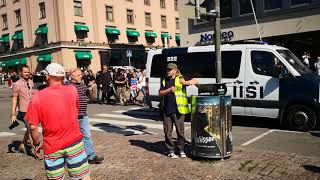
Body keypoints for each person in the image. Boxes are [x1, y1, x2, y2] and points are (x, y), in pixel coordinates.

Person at [25, 63, 91, 180]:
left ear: (47, 77)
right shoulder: (72, 91)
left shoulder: (37, 97)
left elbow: (33, 127)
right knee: (83, 177)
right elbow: (75, 112)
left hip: (52, 146)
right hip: (74, 142)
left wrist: (36, 144)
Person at [159, 63, 198, 159]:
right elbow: (160, 93)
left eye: (170, 70)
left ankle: (181, 150)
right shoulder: (164, 80)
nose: (168, 71)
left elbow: (191, 81)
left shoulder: (180, 78)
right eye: (167, 69)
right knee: (168, 131)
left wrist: (190, 82)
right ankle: (171, 150)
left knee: (180, 132)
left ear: (175, 70)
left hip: (179, 110)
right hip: (167, 110)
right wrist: (169, 90)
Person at [70, 68, 104, 164]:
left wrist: (90, 89)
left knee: (87, 136)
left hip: (83, 115)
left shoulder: (82, 84)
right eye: (79, 75)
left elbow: (89, 96)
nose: (81, 76)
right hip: (73, 116)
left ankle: (91, 156)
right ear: (72, 76)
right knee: (74, 138)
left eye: (81, 74)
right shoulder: (69, 86)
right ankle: (75, 157)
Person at [10, 65, 36, 154]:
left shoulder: (31, 82)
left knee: (30, 129)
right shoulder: (17, 84)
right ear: (21, 73)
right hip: (24, 111)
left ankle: (22, 144)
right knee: (31, 129)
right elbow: (14, 99)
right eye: (25, 72)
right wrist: (13, 114)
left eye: (28, 72)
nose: (27, 74)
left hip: (33, 109)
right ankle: (36, 152)